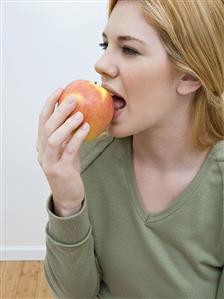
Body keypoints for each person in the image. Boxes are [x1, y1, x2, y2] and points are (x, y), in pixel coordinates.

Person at [36, 0, 224, 298]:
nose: (101, 64)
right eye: (105, 44)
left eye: (129, 49)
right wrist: (67, 201)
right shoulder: (89, 159)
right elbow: (75, 293)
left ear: (189, 77)